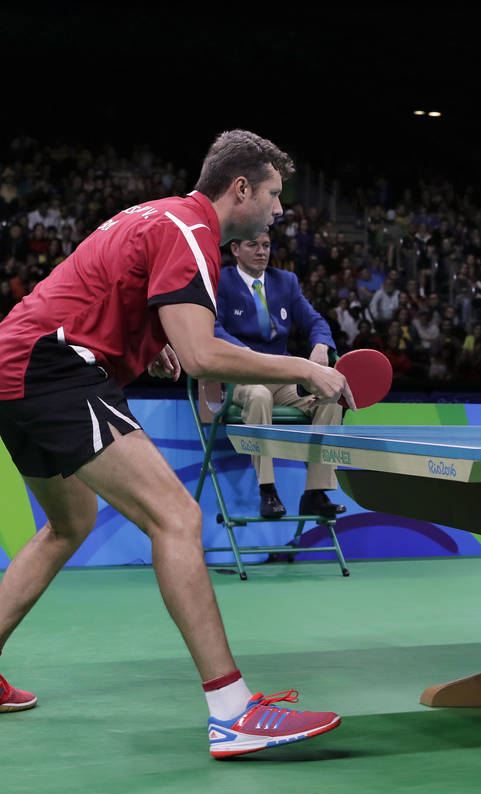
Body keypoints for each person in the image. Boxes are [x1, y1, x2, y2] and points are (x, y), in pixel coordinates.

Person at [0, 130, 352, 755]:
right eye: (273, 195)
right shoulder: (189, 234)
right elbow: (202, 354)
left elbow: (112, 291)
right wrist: (307, 368)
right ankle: (232, 711)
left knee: (68, 523)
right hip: (55, 370)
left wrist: (148, 337)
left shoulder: (160, 216)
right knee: (177, 517)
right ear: (240, 189)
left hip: (17, 365)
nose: (279, 210)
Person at [214, 231, 346, 519]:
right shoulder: (221, 280)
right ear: (235, 248)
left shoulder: (286, 281)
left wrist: (322, 344)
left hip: (282, 378)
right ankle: (268, 491)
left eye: (266, 245)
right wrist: (251, 356)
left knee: (331, 399)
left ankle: (315, 493)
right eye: (253, 245)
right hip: (240, 377)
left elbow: (315, 321)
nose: (262, 252)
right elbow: (214, 329)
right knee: (259, 396)